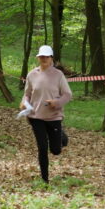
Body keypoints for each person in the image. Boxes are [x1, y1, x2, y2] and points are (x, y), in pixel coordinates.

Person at [20, 45, 72, 183]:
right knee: (42, 147)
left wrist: (57, 102)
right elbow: (27, 94)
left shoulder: (58, 75)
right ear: (38, 58)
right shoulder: (32, 74)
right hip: (36, 117)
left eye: (46, 56)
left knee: (56, 150)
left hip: (54, 117)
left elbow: (67, 95)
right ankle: (44, 179)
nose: (43, 59)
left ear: (51, 58)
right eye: (41, 56)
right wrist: (24, 103)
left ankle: (61, 135)